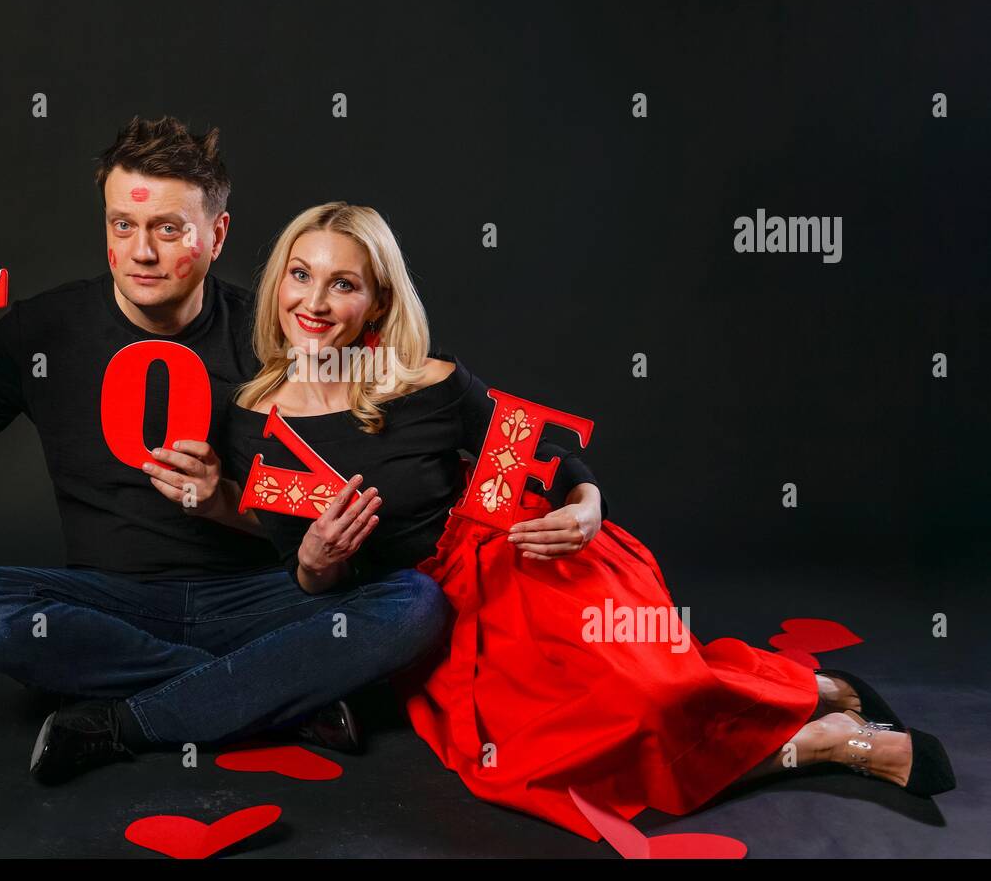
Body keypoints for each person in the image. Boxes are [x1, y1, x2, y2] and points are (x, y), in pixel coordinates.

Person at [222, 201, 956, 842]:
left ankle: (820, 704)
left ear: (377, 303)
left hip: (520, 557)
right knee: (546, 764)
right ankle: (827, 730)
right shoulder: (259, 421)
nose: (313, 301)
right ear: (278, 283)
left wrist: (585, 505)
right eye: (299, 273)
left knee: (655, 693)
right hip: (433, 619)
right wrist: (319, 561)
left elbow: (548, 448)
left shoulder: (427, 381)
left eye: (342, 282)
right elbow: (311, 580)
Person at [0, 118, 451, 785]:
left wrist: (226, 502)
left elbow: (355, 493)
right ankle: (269, 695)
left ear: (217, 235)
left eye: (169, 229)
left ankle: (134, 716)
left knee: (415, 602)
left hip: (260, 598)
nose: (142, 251)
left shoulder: (279, 333)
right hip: (111, 603)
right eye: (122, 226)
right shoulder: (44, 328)